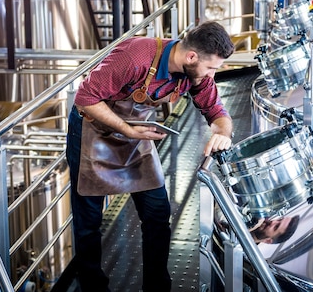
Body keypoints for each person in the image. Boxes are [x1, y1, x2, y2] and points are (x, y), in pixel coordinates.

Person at [66, 21, 235, 292]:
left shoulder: (196, 75)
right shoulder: (135, 57)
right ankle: (93, 287)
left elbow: (217, 112)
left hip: (137, 135)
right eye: (212, 67)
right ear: (191, 57)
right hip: (93, 132)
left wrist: (222, 133)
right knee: (89, 221)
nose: (213, 74)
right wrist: (126, 130)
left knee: (157, 212)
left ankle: (157, 286)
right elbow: (85, 97)